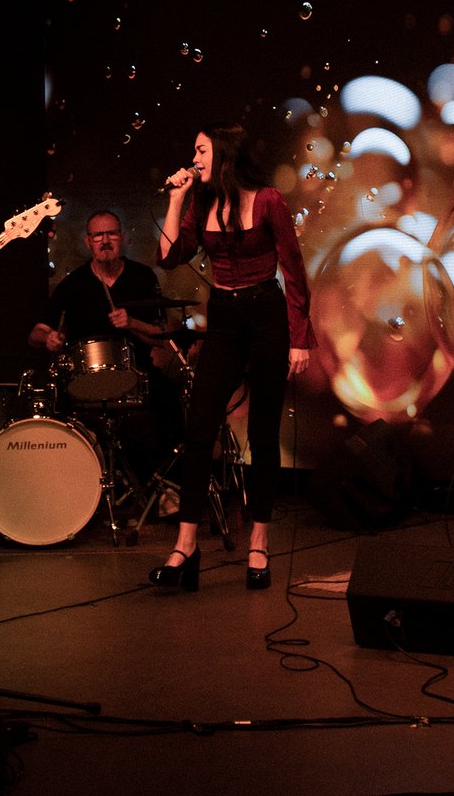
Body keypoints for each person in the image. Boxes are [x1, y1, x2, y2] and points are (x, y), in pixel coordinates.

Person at [153, 123, 315, 591]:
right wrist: (177, 198)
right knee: (199, 425)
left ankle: (259, 540)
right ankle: (186, 546)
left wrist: (300, 337)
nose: (193, 158)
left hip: (266, 314)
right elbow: (168, 256)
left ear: (221, 153)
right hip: (223, 316)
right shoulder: (200, 201)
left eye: (200, 150)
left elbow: (294, 268)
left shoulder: (267, 201)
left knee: (264, 432)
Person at [28, 210, 183, 494]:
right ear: (88, 242)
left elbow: (162, 334)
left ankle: (165, 490)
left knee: (174, 405)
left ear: (122, 238)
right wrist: (48, 336)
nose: (105, 241)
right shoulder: (73, 284)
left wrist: (132, 322)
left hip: (138, 377)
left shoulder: (142, 276)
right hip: (83, 383)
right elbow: (35, 332)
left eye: (111, 233)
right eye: (98, 235)